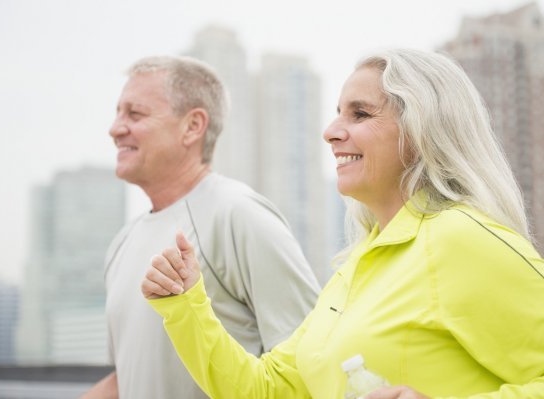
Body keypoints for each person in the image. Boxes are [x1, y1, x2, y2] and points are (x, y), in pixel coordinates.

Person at [142, 48, 544, 398]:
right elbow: (266, 390)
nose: (331, 132)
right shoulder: (355, 267)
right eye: (338, 114)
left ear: (423, 131)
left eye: (361, 113)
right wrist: (186, 304)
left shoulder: (463, 240)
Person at [82, 56, 321, 398]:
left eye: (135, 114)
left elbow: (312, 361)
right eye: (118, 112)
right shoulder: (122, 242)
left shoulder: (240, 215)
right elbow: (128, 379)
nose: (115, 128)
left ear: (193, 126)